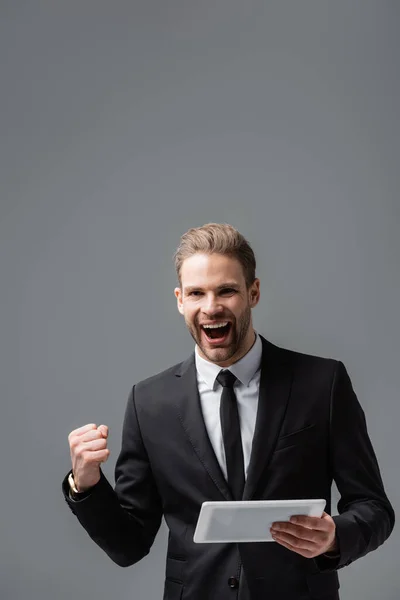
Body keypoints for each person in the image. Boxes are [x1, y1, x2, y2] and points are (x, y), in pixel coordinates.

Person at [62, 223, 395, 600]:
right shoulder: (148, 403)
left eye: (227, 291)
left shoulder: (322, 383)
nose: (211, 307)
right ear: (179, 300)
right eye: (197, 293)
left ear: (253, 293)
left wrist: (335, 536)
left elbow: (374, 508)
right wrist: (85, 486)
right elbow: (129, 545)